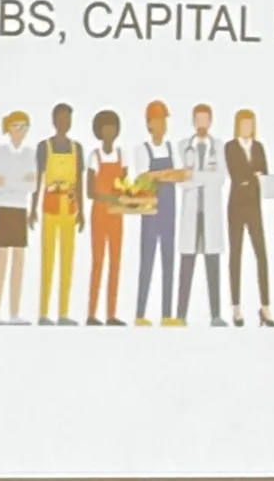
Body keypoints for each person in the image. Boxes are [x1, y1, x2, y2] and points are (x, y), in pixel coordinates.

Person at [173, 103, 224, 326]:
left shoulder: (219, 146)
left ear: (210, 121)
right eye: (198, 119)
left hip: (210, 212)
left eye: (206, 119)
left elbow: (220, 179)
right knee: (187, 262)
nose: (202, 124)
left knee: (213, 263)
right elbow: (180, 181)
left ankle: (216, 315)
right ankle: (180, 315)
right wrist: (200, 177)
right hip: (192, 211)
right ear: (193, 122)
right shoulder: (183, 146)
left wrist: (193, 176)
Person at [0, 110, 36, 324]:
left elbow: (32, 185)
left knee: (18, 261)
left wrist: (12, 181)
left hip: (20, 209)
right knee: (1, 260)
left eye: (25, 127)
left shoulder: (30, 154)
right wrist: (20, 180)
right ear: (8, 128)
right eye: (17, 126)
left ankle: (14, 313)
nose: (21, 131)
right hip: (2, 208)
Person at [132, 102, 180, 324]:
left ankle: (166, 314)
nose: (162, 125)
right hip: (150, 210)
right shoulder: (142, 149)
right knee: (147, 260)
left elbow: (181, 176)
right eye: (159, 120)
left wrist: (158, 174)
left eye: (165, 121)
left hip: (170, 210)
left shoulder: (172, 148)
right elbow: (143, 178)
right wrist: (166, 174)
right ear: (149, 123)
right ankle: (140, 314)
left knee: (169, 260)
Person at [36, 107, 83, 325]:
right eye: (62, 118)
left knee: (67, 260)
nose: (65, 122)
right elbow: (38, 181)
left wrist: (82, 211)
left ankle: (63, 313)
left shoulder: (77, 148)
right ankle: (44, 313)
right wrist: (32, 209)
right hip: (50, 206)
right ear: (54, 121)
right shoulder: (44, 147)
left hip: (70, 208)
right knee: (48, 260)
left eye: (68, 119)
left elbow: (79, 182)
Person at [224, 111, 272, 325]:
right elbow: (237, 173)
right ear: (237, 126)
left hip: (254, 206)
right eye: (243, 124)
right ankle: (236, 307)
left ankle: (265, 306)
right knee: (236, 254)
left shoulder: (259, 147)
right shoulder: (230, 147)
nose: (246, 128)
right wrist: (253, 176)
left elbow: (265, 173)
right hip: (236, 205)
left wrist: (254, 177)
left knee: (261, 253)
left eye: (250, 124)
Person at [84, 109, 128, 327]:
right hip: (100, 213)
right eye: (105, 128)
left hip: (117, 214)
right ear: (99, 131)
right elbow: (89, 192)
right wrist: (108, 197)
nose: (109, 132)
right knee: (98, 262)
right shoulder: (95, 156)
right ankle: (92, 314)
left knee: (116, 262)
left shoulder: (122, 155)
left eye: (113, 128)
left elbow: (126, 185)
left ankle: (111, 314)